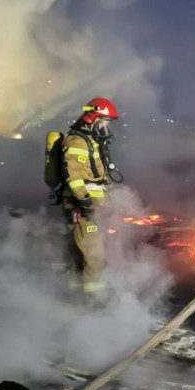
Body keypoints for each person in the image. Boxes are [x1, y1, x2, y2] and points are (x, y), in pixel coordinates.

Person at [60, 97, 121, 302]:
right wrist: (85, 203)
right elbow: (74, 177)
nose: (107, 127)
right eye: (104, 122)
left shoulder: (92, 142)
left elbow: (99, 178)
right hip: (83, 208)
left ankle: (75, 297)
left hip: (92, 208)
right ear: (92, 118)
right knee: (95, 256)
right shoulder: (77, 142)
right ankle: (94, 300)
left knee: (81, 255)